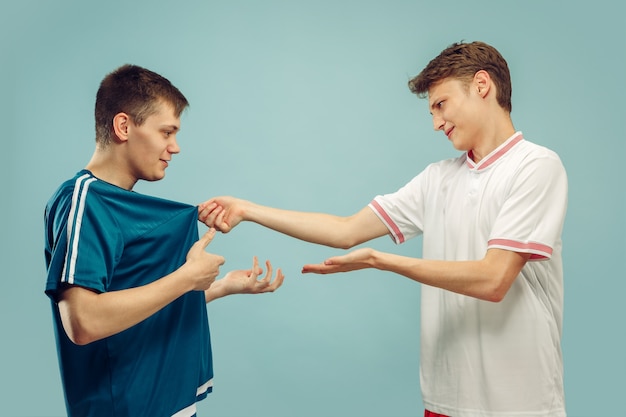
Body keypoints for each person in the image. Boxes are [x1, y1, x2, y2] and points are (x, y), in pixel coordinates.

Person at [199, 41, 568, 417]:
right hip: (444, 402)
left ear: (482, 85)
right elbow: (345, 230)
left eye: (441, 104)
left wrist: (382, 260)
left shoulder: (535, 167)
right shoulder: (437, 178)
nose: (436, 123)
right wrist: (247, 210)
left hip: (521, 404)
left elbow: (494, 279)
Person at [44, 64, 284, 417]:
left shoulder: (125, 205)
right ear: (124, 126)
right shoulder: (84, 201)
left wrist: (217, 288)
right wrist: (186, 277)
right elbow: (83, 321)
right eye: (167, 132)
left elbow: (134, 307)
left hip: (167, 405)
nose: (175, 147)